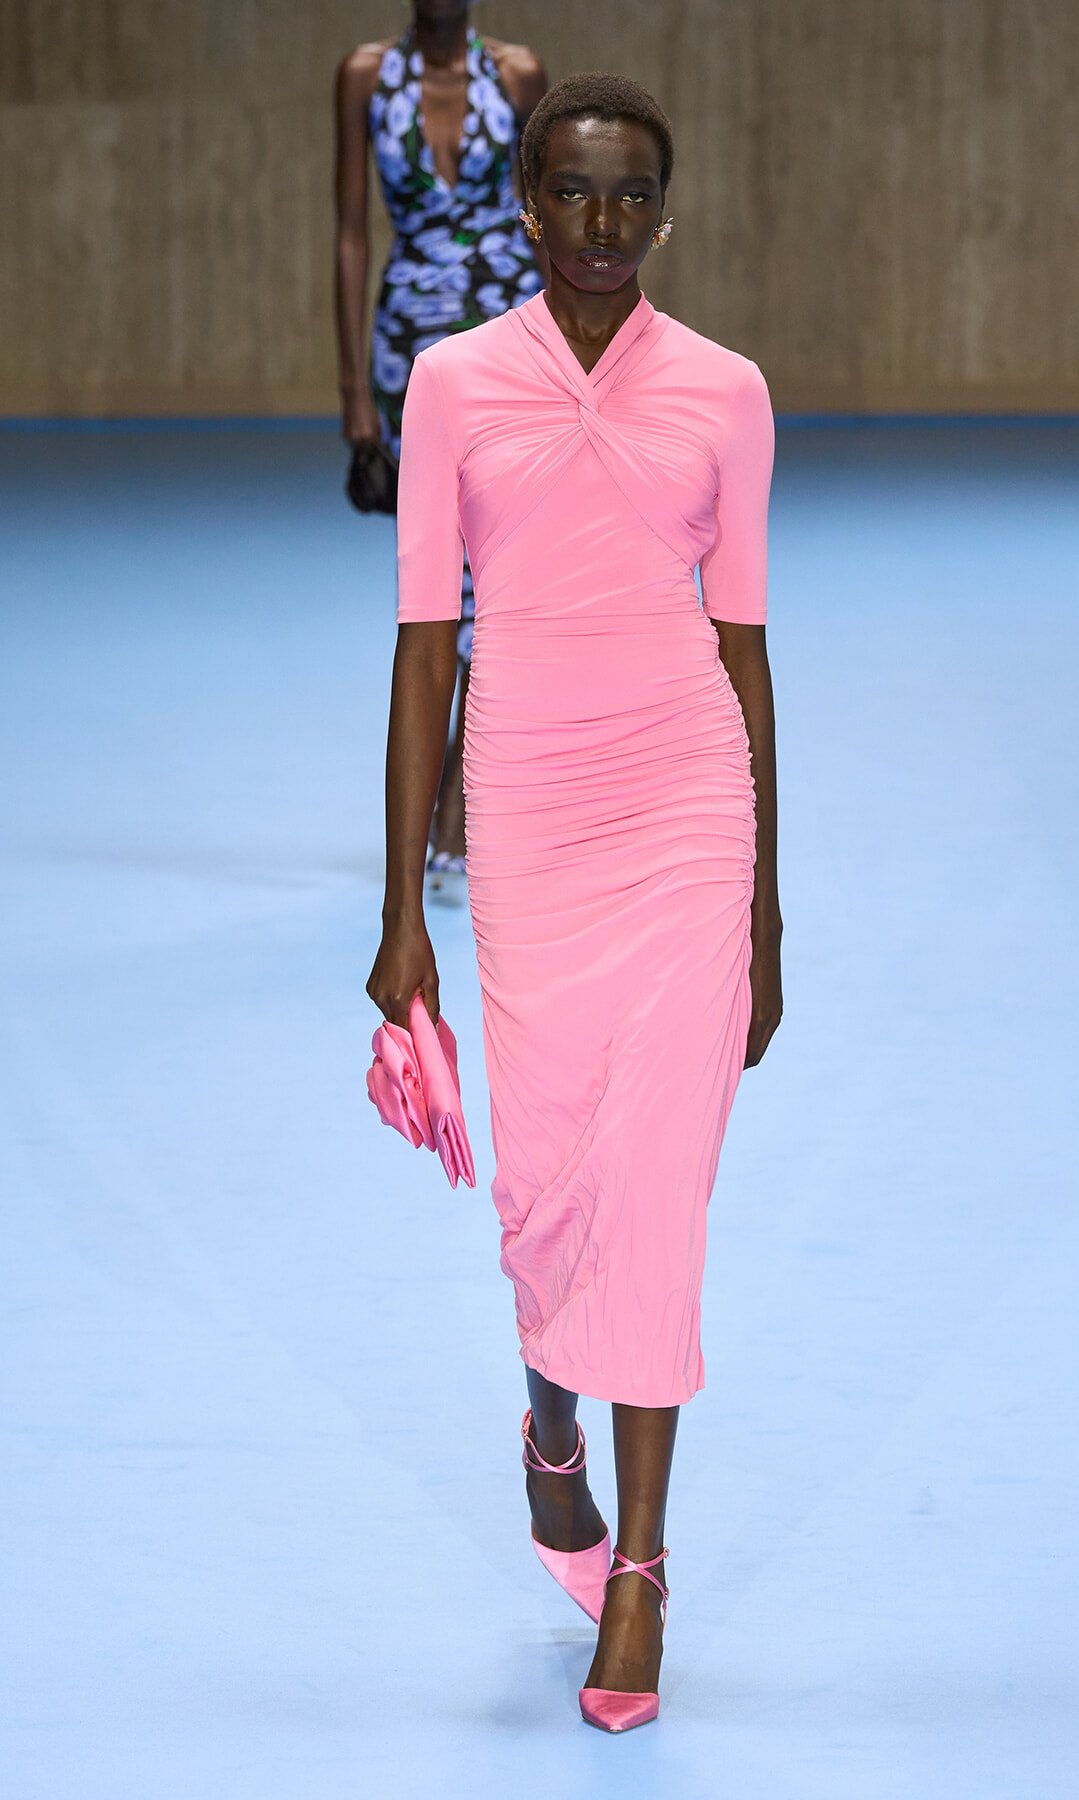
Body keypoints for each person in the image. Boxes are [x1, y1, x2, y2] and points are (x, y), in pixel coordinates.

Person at [366, 72, 783, 1731]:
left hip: (686, 813)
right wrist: (406, 909)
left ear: (661, 215)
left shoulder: (729, 393)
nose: (602, 227)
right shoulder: (454, 387)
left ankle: (643, 1577)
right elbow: (419, 654)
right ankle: (552, 1429)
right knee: (544, 1185)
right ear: (526, 213)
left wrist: (765, 910)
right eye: (574, 197)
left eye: (631, 200)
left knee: (658, 1200)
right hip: (529, 820)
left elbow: (744, 648)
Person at [335, 0, 546, 898]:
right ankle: (451, 786)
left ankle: (461, 782)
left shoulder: (518, 75)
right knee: (434, 575)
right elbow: (349, 231)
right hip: (411, 353)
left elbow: (553, 219)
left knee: (499, 571)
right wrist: (353, 397)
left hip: (511, 341)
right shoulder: (363, 77)